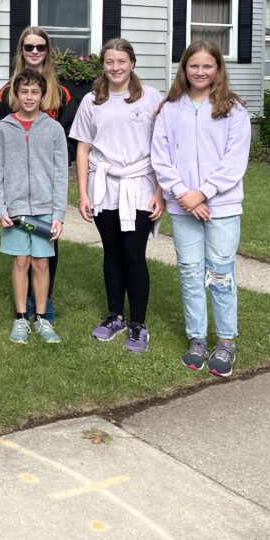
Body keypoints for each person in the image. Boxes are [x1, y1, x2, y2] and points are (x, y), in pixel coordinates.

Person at [151, 41, 251, 377]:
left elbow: (234, 161)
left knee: (221, 275)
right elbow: (160, 157)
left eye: (207, 66)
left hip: (220, 206)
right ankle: (197, 339)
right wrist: (182, 194)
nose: (200, 72)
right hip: (183, 208)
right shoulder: (170, 108)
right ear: (184, 69)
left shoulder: (233, 110)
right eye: (194, 66)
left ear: (218, 69)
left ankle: (225, 342)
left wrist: (203, 193)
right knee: (191, 273)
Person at [70, 39, 164, 353]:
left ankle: (138, 324)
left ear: (132, 63)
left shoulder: (151, 98)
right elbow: (83, 148)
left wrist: (161, 192)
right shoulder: (91, 100)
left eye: (121, 61)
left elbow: (165, 147)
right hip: (104, 185)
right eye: (109, 61)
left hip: (139, 185)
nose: (115, 67)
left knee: (134, 253)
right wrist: (83, 194)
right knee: (111, 251)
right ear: (103, 65)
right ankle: (115, 316)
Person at [0, 26, 76, 322]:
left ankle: (44, 300)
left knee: (45, 252)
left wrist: (53, 168)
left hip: (44, 190)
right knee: (21, 256)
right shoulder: (5, 93)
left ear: (47, 51)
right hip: (16, 192)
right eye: (29, 47)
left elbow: (68, 138)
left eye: (40, 47)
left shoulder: (61, 93)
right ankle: (23, 309)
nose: (34, 52)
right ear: (21, 51)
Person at [0, 69, 67, 344]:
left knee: (42, 262)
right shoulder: (4, 128)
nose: (30, 97)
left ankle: (42, 318)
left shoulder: (54, 129)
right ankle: (21, 317)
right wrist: (0, 208)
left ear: (43, 95)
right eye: (25, 91)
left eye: (35, 92)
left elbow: (60, 174)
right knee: (21, 260)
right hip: (14, 209)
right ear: (16, 94)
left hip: (45, 208)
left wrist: (58, 214)